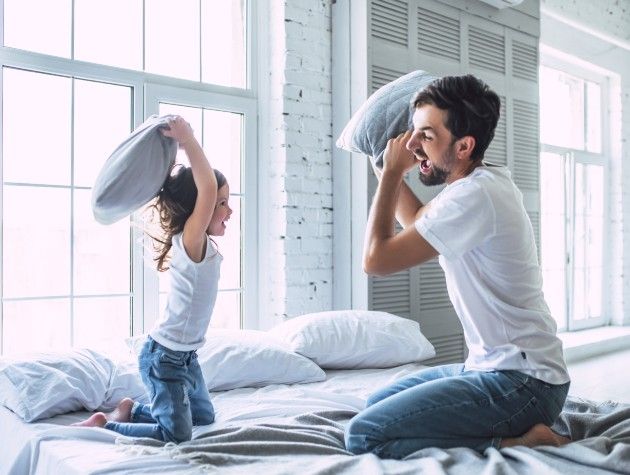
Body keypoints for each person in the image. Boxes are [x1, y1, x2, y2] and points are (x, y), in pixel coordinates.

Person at [344, 75, 571, 459]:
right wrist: (383, 162)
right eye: (413, 133)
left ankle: (519, 441)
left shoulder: (475, 196)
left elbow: (375, 260)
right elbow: (416, 218)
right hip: (495, 368)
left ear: (464, 146)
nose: (414, 147)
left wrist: (393, 175)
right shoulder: (477, 184)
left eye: (426, 136)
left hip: (523, 384)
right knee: (375, 404)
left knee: (365, 434)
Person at [74, 116, 232, 443]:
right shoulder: (191, 239)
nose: (229, 210)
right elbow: (206, 186)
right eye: (221, 203)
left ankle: (131, 408)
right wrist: (187, 141)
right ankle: (106, 425)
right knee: (176, 434)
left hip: (186, 356)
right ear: (198, 209)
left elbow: (208, 191)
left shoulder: (205, 247)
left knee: (204, 416)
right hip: (165, 358)